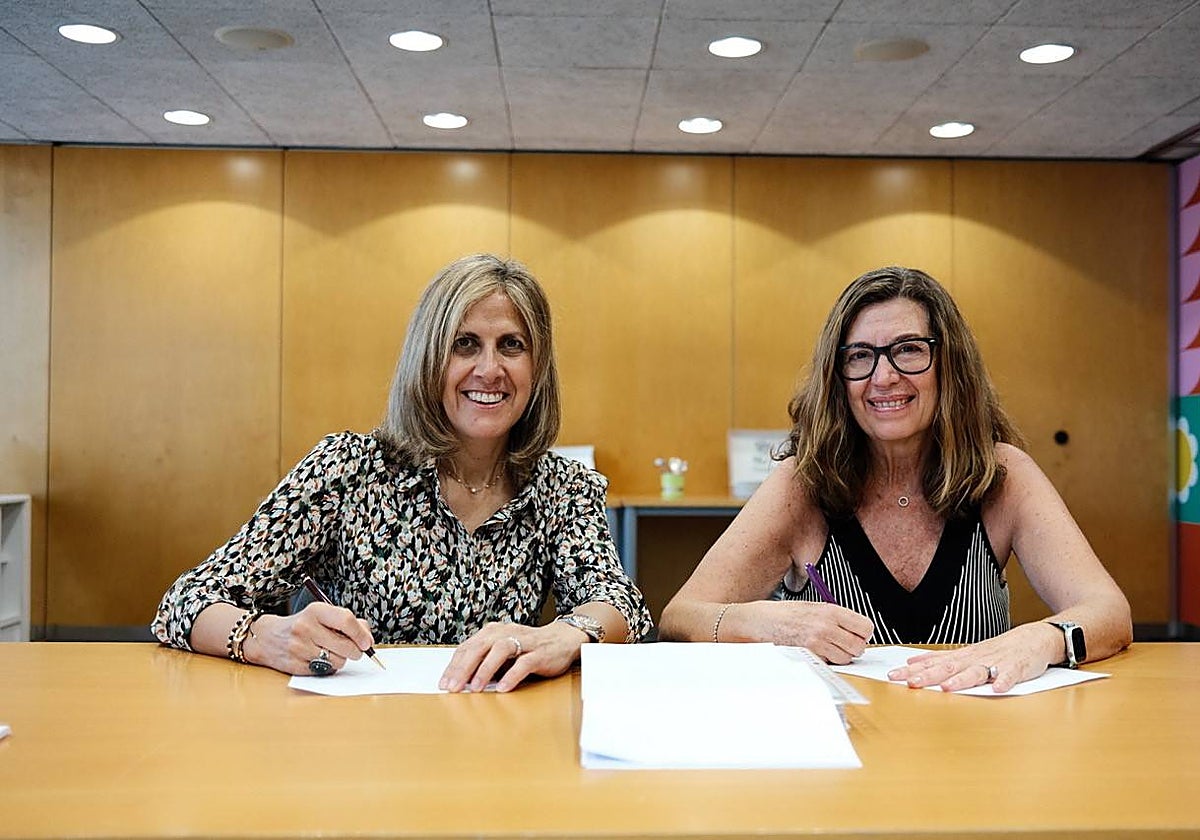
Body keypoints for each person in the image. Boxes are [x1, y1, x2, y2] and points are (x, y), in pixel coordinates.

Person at [153, 253, 650, 692]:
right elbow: (185, 602)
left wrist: (565, 633)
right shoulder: (347, 469)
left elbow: (621, 604)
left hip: (493, 745)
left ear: (537, 366)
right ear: (429, 357)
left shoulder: (563, 487)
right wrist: (269, 638)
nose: (490, 369)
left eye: (512, 345)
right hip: (362, 749)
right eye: (465, 344)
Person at [659, 266, 1131, 692]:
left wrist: (1041, 639)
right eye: (860, 356)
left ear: (950, 365)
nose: (883, 377)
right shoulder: (803, 484)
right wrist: (768, 625)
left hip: (973, 750)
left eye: (908, 350)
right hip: (841, 752)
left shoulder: (1002, 475)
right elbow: (680, 619)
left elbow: (1109, 612)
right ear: (837, 376)